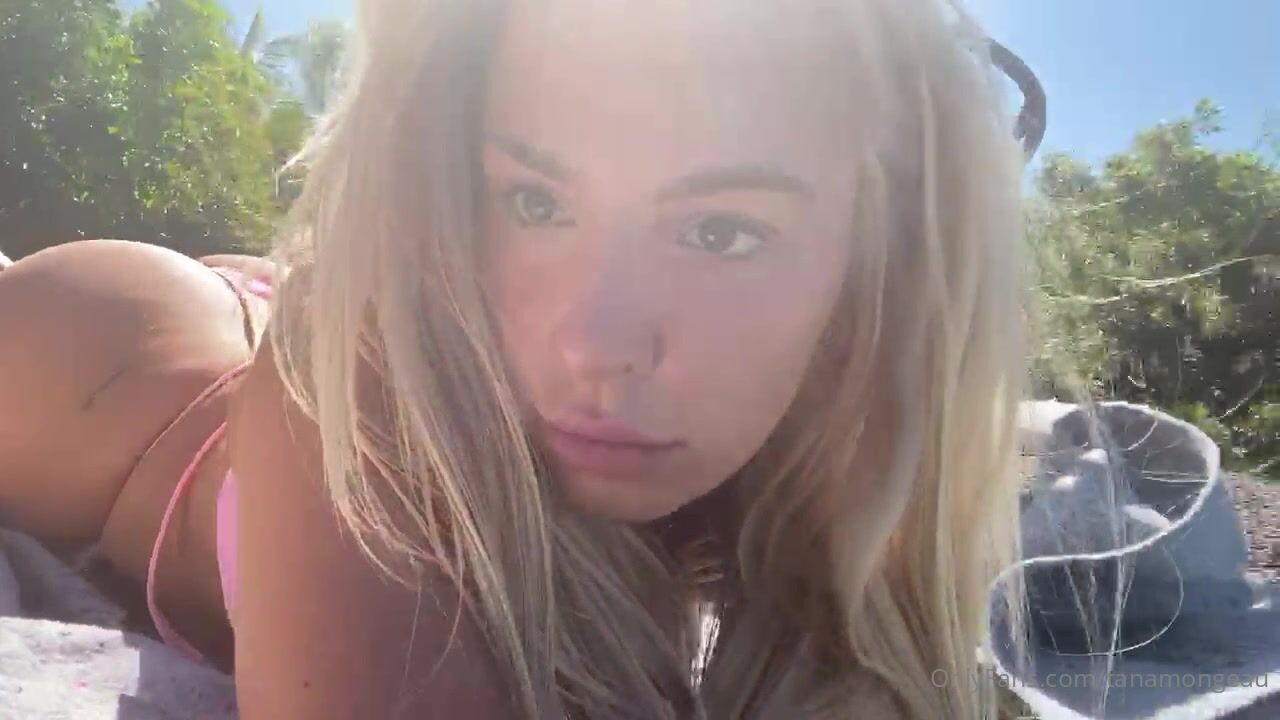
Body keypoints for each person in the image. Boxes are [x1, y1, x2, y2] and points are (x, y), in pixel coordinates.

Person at [0, 0, 1030, 717]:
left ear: (875, 264)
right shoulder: (359, 410)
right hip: (107, 362)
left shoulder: (840, 434)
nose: (595, 343)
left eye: (721, 232)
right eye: (534, 201)